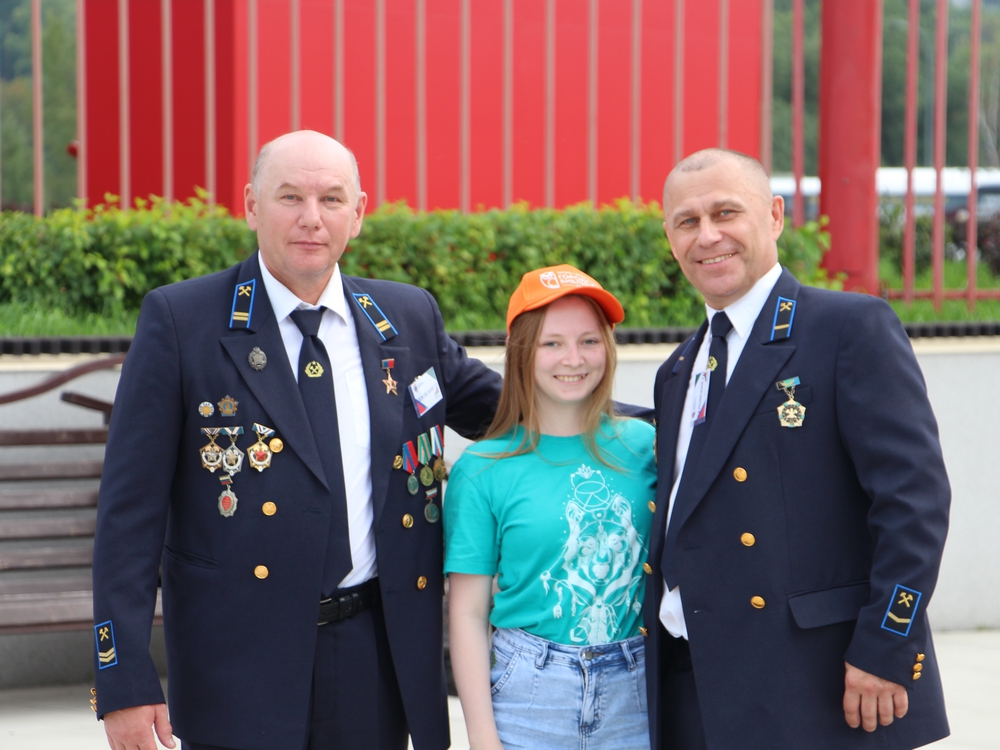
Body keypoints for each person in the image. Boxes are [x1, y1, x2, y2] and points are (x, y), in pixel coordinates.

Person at [90, 130, 503, 750]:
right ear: (252, 206)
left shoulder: (406, 317)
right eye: (290, 197)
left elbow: (518, 410)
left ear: (357, 214)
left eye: (331, 199)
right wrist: (123, 678)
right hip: (238, 665)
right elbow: (128, 516)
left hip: (375, 661)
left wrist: (633, 419)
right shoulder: (183, 321)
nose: (312, 218)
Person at [643, 148, 951, 750]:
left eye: (725, 213)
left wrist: (887, 644)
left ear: (775, 216)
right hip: (696, 685)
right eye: (687, 222)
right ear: (671, 239)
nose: (707, 236)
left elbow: (914, 504)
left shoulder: (846, 329)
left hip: (816, 683)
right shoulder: (678, 369)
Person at [444, 264, 657, 750]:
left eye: (589, 341)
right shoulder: (482, 470)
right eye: (552, 343)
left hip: (637, 695)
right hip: (528, 699)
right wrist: (483, 739)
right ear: (521, 352)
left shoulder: (646, 448)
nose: (573, 359)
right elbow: (469, 614)